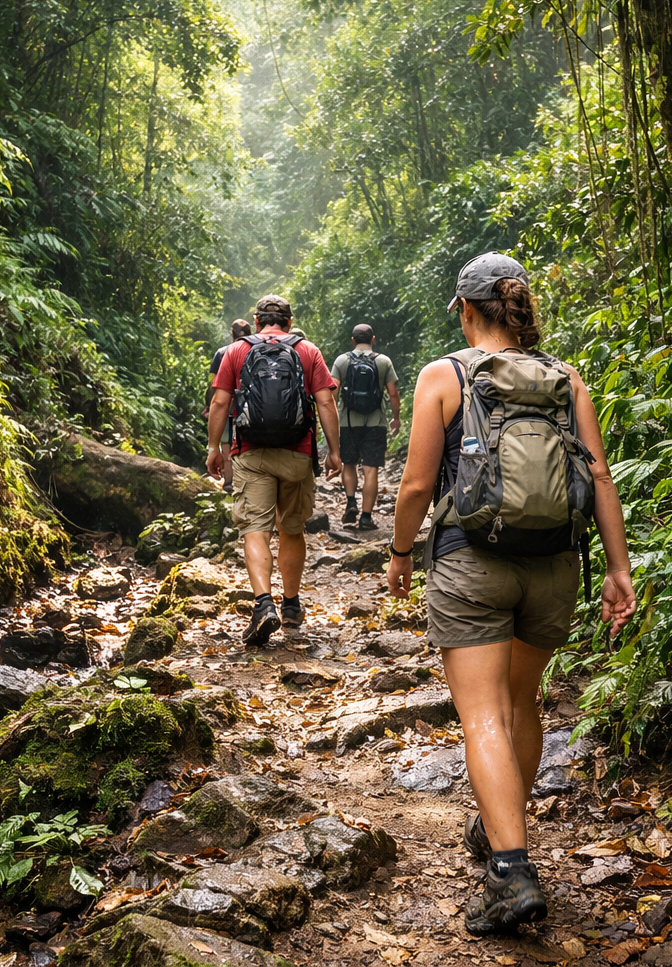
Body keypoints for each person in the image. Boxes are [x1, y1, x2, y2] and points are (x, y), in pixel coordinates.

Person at [385, 253, 637, 934]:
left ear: (468, 310)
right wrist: (620, 568)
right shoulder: (565, 376)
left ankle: (511, 871)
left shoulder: (444, 375)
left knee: (483, 718)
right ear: (517, 306)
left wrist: (402, 551)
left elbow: (414, 487)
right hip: (555, 567)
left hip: (473, 564)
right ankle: (501, 827)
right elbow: (600, 475)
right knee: (522, 703)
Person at [206, 296, 342, 647]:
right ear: (288, 320)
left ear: (257, 319)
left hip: (251, 454)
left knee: (256, 529)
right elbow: (325, 401)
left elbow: (220, 401)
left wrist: (213, 448)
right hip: (297, 453)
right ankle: (292, 605)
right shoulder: (307, 350)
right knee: (291, 528)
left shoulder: (237, 351)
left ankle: (263, 603)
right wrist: (334, 451)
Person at [331, 324, 401, 531]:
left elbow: (332, 393)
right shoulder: (383, 361)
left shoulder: (341, 361)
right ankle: (366, 517)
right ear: (373, 339)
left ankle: (351, 502)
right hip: (375, 423)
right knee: (371, 470)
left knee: (349, 464)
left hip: (348, 422)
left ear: (353, 340)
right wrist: (396, 418)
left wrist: (332, 421)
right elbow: (393, 393)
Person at [205, 319, 253, 494]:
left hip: (226, 404)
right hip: (249, 407)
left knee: (226, 442)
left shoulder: (222, 353)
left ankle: (229, 482)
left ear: (231, 333)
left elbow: (213, 385)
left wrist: (209, 406)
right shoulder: (257, 350)